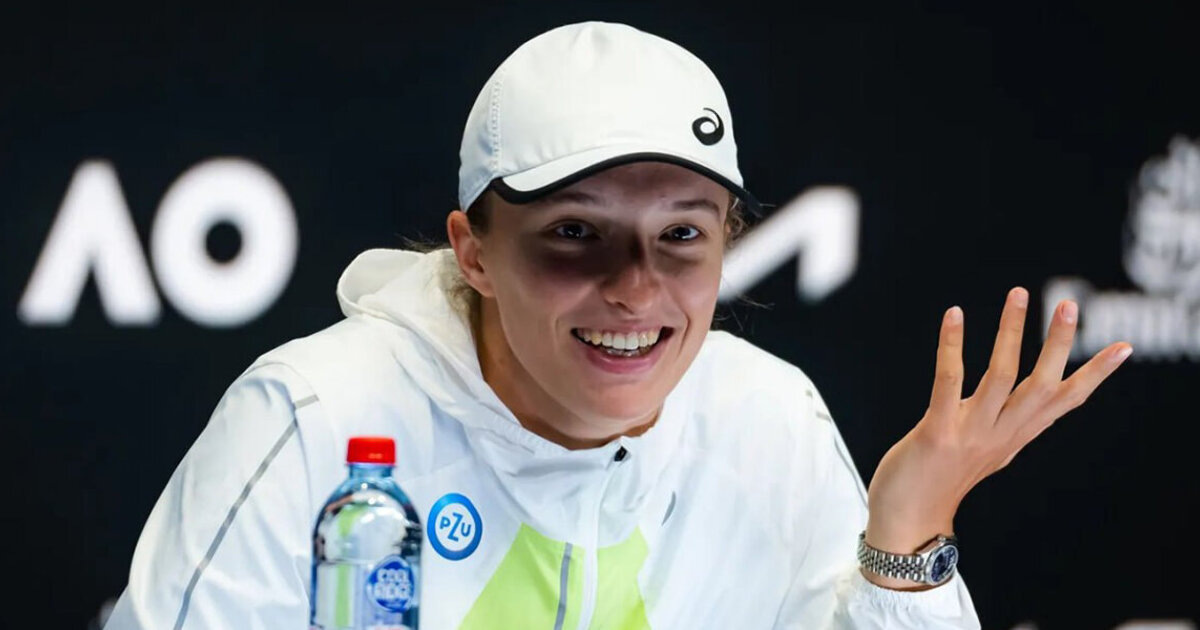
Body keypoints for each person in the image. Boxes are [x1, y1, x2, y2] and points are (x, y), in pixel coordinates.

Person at [103, 21, 1132, 630]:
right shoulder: (316, 417)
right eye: (576, 234)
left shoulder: (767, 419)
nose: (636, 289)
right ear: (472, 252)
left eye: (681, 234)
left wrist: (905, 537)